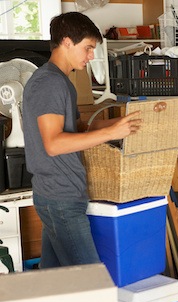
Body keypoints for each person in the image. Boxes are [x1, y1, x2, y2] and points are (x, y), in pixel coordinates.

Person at [22, 12, 142, 269]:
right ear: (66, 42)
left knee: (56, 280)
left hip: (62, 194)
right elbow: (54, 144)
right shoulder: (50, 83)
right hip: (60, 198)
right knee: (90, 281)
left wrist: (118, 124)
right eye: (87, 48)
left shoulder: (61, 82)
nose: (91, 56)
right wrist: (110, 134)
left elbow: (76, 128)